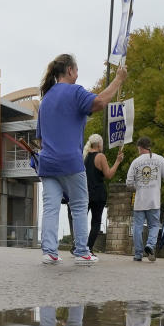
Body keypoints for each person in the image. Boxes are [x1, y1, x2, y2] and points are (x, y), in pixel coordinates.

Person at [36, 55, 126, 265]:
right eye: (76, 70)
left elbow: (40, 138)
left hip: (47, 162)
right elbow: (100, 102)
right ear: (69, 70)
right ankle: (82, 251)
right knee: (78, 205)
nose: (78, 74)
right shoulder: (75, 92)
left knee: (51, 207)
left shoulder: (46, 99)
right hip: (70, 160)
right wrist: (118, 79)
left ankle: (49, 251)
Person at [126, 137, 164, 261]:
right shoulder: (160, 159)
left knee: (137, 227)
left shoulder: (135, 162)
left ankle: (138, 254)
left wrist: (139, 187)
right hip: (154, 200)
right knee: (154, 225)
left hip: (140, 200)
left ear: (139, 147)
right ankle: (150, 245)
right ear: (149, 146)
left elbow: (129, 183)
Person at [83, 134, 123, 255]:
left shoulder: (84, 156)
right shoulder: (100, 156)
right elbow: (109, 175)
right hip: (98, 193)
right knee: (95, 222)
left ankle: (78, 244)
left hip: (85, 192)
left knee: (81, 219)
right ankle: (88, 248)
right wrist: (117, 161)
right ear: (99, 144)